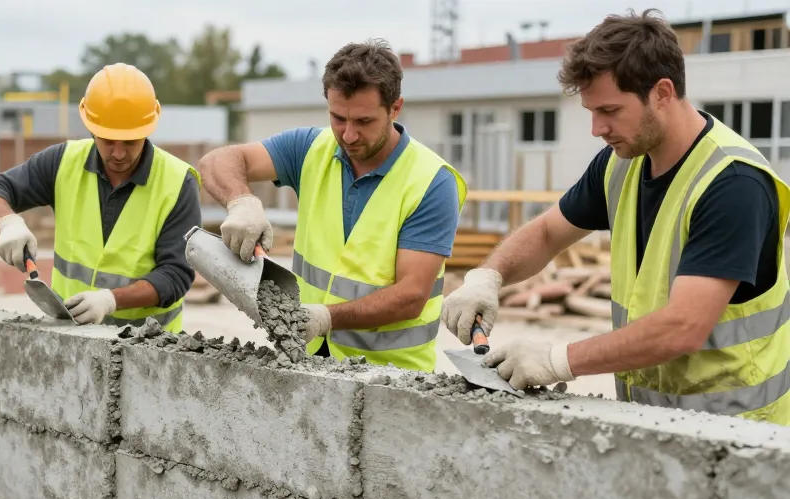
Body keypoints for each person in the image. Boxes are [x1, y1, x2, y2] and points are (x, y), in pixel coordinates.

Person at [441, 9, 790, 425]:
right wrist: (489, 277)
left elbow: (684, 327)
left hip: (737, 433)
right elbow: (550, 232)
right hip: (652, 423)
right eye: (591, 111)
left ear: (662, 93)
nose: (596, 128)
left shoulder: (732, 184)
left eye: (609, 110)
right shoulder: (621, 162)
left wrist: (557, 359)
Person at [197, 39, 467, 373]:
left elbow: (411, 296)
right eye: (338, 118)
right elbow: (215, 162)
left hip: (393, 374)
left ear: (395, 109)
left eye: (364, 122)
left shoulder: (431, 181)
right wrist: (241, 202)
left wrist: (326, 317)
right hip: (307, 359)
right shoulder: (311, 149)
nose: (349, 135)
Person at [0, 63, 202, 331]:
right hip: (73, 341)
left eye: (130, 142)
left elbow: (176, 276)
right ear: (91, 128)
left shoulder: (177, 182)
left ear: (148, 130)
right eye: (107, 140)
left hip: (150, 351)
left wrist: (110, 300)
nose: (118, 153)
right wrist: (7, 222)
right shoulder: (63, 162)